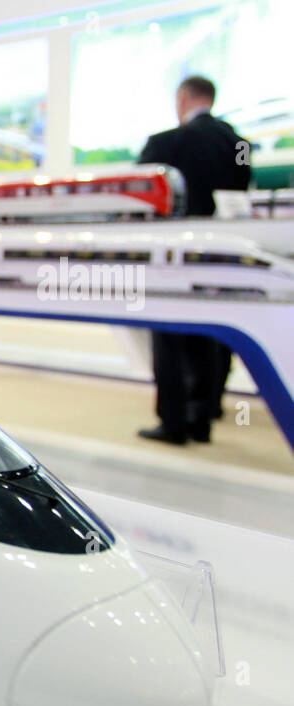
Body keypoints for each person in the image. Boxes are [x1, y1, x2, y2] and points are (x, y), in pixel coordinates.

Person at [136, 75, 251, 445]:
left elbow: (143, 194)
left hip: (172, 253)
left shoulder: (166, 142)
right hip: (222, 249)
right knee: (212, 331)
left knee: (169, 335)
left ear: (183, 98)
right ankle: (204, 415)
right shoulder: (238, 143)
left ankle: (174, 423)